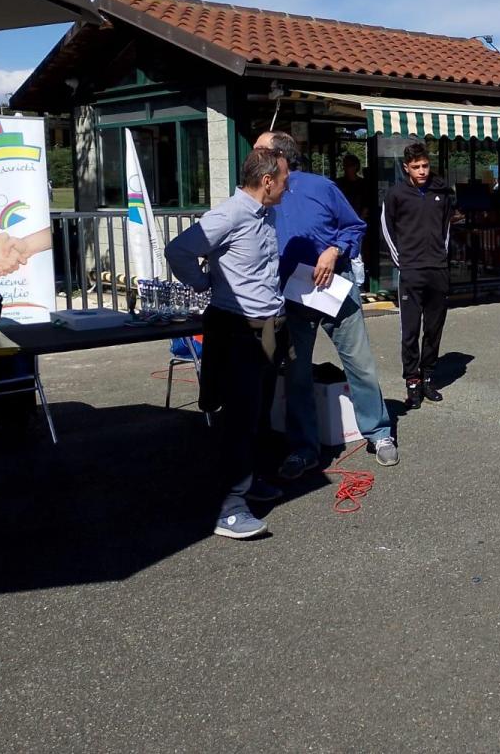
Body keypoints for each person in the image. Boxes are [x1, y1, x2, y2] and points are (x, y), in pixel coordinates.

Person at [165, 139, 289, 540]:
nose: (288, 187)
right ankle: (229, 508)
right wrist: (203, 283)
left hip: (267, 327)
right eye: (285, 180)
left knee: (260, 412)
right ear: (267, 181)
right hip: (237, 329)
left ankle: (250, 482)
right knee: (239, 418)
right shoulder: (230, 214)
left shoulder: (266, 213)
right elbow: (178, 250)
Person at [271, 132, 400, 471]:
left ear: (280, 156)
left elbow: (354, 226)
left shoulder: (320, 186)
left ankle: (379, 432)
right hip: (293, 293)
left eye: (260, 150)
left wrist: (335, 249)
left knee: (359, 362)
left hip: (335, 286)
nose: (253, 157)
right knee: (297, 372)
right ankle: (303, 448)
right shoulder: (261, 194)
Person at [380, 140, 455, 409]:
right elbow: (386, 228)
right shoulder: (396, 194)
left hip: (437, 270)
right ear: (406, 168)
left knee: (433, 328)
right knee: (410, 330)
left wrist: (442, 259)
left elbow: (446, 229)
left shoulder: (441, 191)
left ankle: (428, 377)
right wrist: (402, 262)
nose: (422, 171)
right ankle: (412, 380)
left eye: (425, 165)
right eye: (416, 167)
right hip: (411, 270)